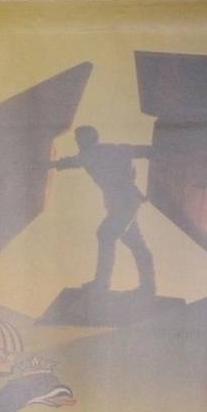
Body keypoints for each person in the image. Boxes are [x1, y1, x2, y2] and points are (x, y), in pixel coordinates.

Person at [50, 125, 157, 296]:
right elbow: (139, 151)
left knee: (106, 234)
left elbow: (72, 162)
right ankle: (147, 286)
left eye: (79, 138)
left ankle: (102, 282)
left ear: (89, 139)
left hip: (125, 202)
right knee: (136, 244)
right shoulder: (103, 151)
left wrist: (48, 164)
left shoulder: (95, 152)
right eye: (77, 139)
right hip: (122, 203)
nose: (77, 142)